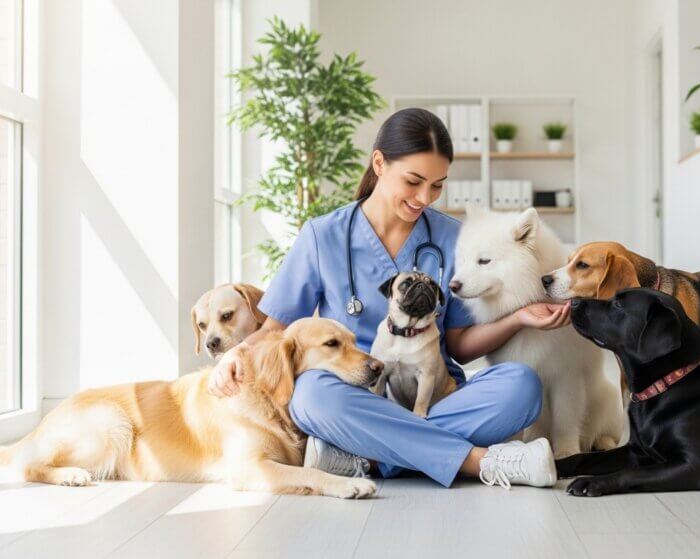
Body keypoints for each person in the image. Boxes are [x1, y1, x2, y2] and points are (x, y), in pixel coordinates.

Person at [209, 108, 571, 489]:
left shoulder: (453, 237)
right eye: (414, 181)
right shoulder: (322, 236)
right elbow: (277, 329)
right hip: (352, 394)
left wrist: (518, 319)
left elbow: (458, 347)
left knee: (521, 386)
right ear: (379, 163)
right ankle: (480, 461)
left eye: (437, 185)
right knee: (311, 396)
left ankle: (362, 456)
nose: (424, 198)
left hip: (429, 398)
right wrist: (238, 353)